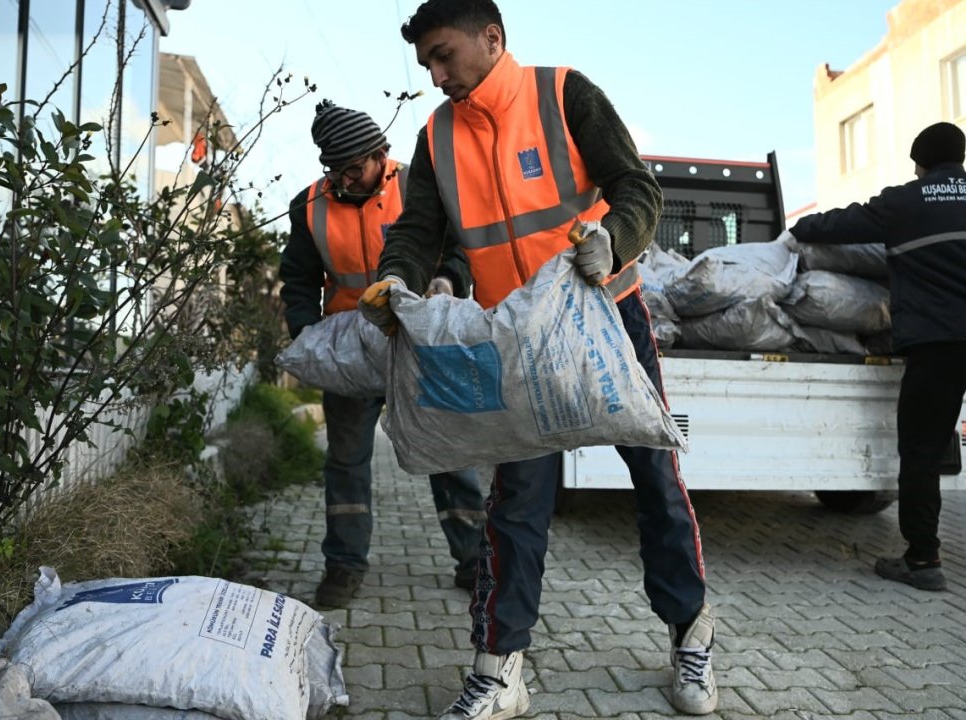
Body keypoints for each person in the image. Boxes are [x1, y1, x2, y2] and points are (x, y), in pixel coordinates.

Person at [356, 2, 716, 717]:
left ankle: (691, 635)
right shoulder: (437, 137)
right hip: (512, 337)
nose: (435, 73)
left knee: (655, 479)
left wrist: (613, 239)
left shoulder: (563, 93)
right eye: (425, 61)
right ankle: (499, 668)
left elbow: (638, 188)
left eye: (443, 54)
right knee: (517, 501)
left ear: (493, 39)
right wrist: (395, 278)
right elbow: (418, 229)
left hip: (606, 314)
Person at [788, 121, 966, 594]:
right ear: (961, 158)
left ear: (920, 162)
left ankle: (923, 559)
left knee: (922, 448)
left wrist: (799, 227)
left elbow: (835, 226)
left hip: (940, 338)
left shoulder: (907, 200)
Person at [278, 100, 487, 609]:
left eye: (355, 168)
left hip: (422, 341)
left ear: (381, 155)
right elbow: (300, 280)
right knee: (347, 460)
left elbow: (459, 248)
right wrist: (307, 335)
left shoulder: (421, 183)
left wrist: (446, 279)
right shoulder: (309, 205)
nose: (345, 180)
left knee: (448, 452)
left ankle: (475, 563)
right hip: (351, 349)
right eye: (336, 170)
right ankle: (344, 566)